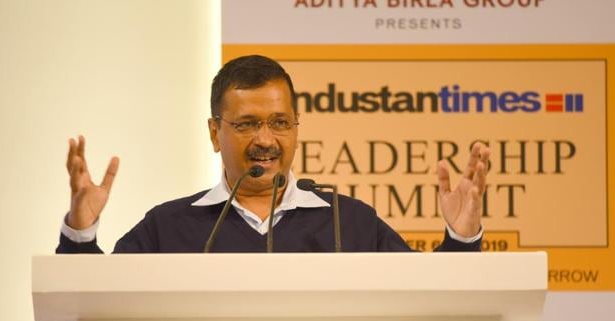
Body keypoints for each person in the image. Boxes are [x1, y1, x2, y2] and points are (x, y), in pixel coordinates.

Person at [56, 55, 490, 253]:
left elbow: (430, 304)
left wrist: (462, 239)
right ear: (214, 132)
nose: (266, 139)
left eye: (280, 123)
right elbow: (98, 306)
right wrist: (80, 233)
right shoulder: (169, 229)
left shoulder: (350, 223)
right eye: (246, 124)